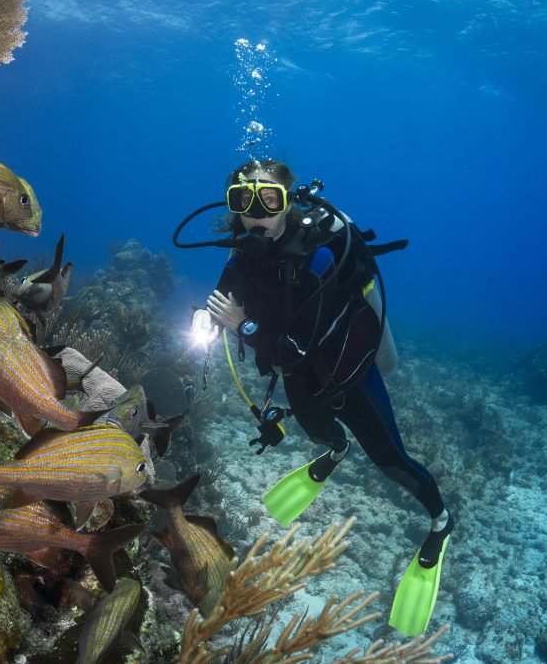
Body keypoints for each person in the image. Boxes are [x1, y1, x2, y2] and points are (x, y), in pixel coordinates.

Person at [188, 158, 453, 636]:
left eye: (269, 200)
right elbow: (222, 298)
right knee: (319, 435)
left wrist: (241, 325)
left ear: (288, 203)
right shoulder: (242, 254)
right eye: (242, 201)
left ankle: (440, 521)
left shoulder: (318, 257)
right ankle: (336, 449)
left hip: (347, 376)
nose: (256, 213)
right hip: (298, 375)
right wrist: (203, 319)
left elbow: (295, 343)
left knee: (392, 462)